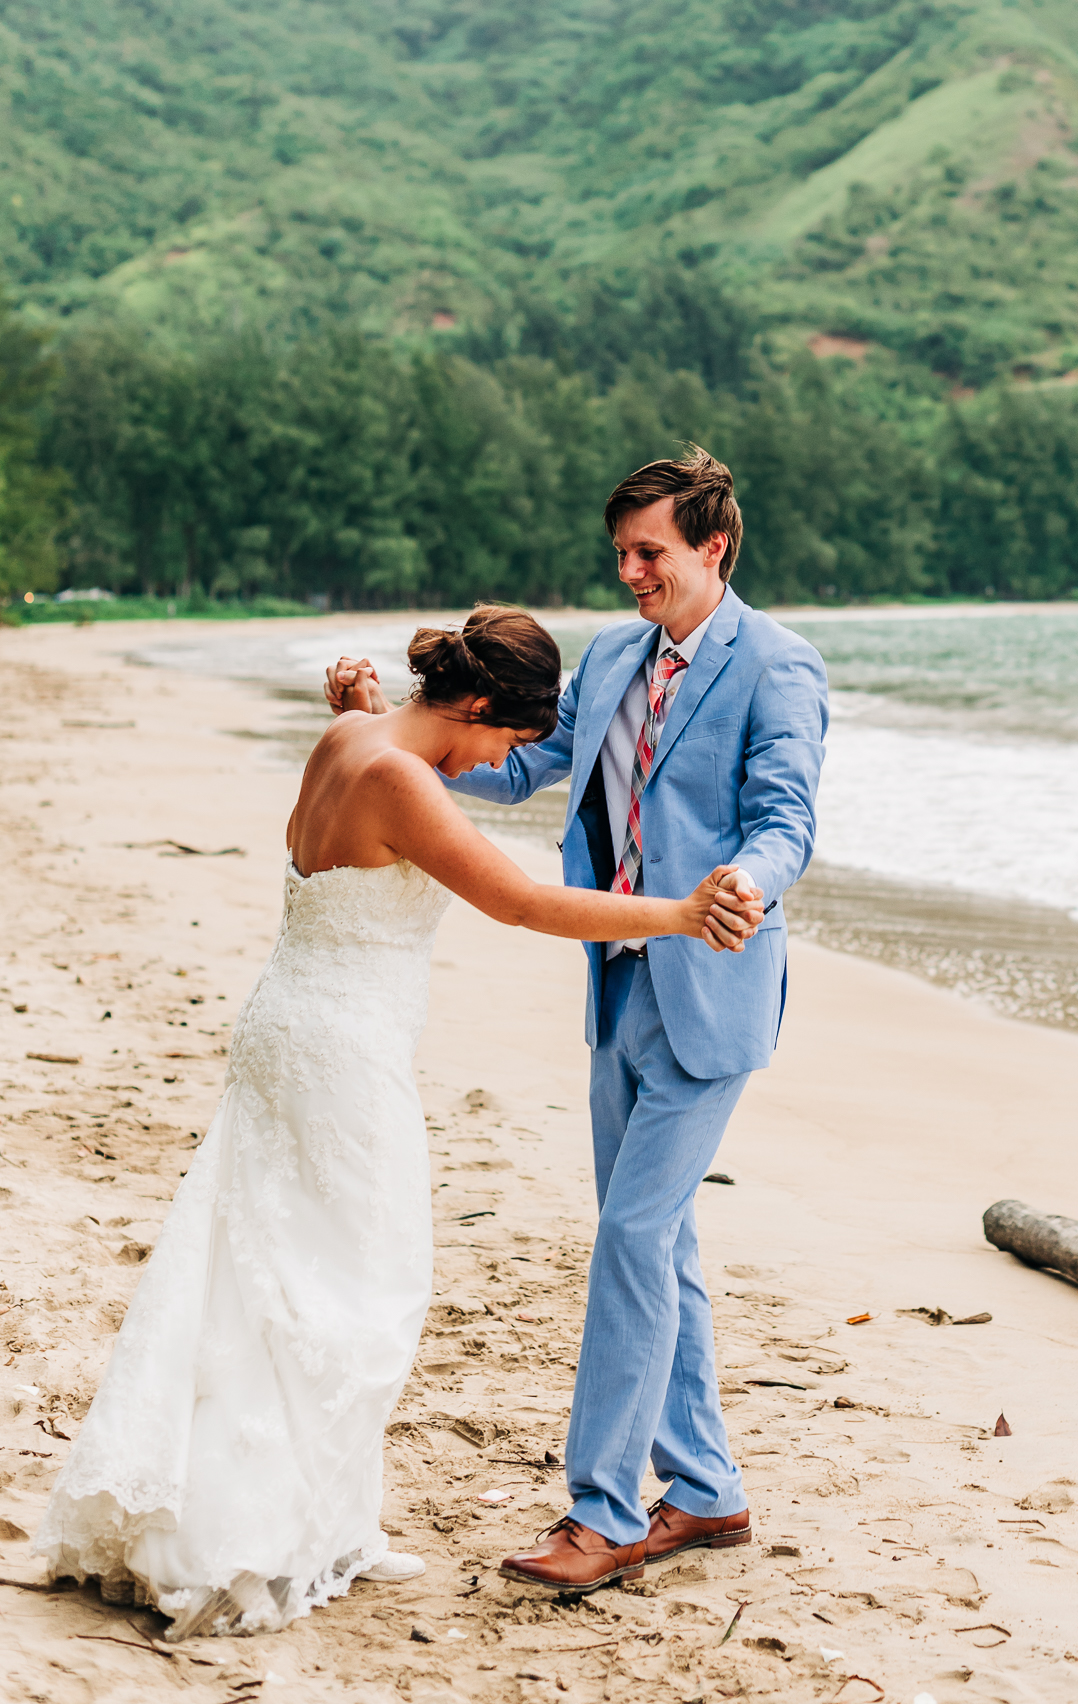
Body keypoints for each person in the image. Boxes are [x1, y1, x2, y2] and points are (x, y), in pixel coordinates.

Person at [36, 605, 759, 1640]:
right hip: (339, 1058)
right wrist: (678, 913)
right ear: (472, 704)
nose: (498, 761)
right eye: (506, 739)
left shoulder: (350, 736)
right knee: (351, 1292)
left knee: (268, 1276)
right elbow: (518, 901)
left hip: (288, 1030)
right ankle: (253, 1538)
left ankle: (326, 1525)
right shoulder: (397, 777)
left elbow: (398, 801)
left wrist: (388, 718)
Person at [324, 446, 828, 1596]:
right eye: (621, 553)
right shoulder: (609, 655)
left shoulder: (780, 666)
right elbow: (517, 769)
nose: (630, 571)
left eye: (649, 552)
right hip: (615, 985)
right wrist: (400, 727)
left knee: (634, 1238)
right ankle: (703, 1486)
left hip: (713, 985)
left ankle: (602, 1511)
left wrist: (748, 881)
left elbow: (786, 815)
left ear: (714, 545)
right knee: (660, 1240)